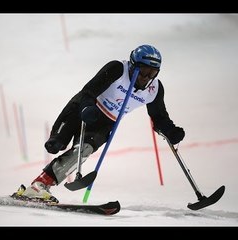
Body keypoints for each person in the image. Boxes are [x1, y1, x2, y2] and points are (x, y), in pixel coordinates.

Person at [11, 44, 185, 203]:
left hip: (106, 123)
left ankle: (39, 185)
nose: (146, 77)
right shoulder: (117, 69)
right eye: (143, 71)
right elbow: (88, 91)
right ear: (133, 66)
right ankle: (38, 178)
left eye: (152, 73)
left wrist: (170, 131)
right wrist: (87, 108)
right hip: (85, 108)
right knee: (56, 145)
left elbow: (159, 118)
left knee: (83, 151)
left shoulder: (155, 89)